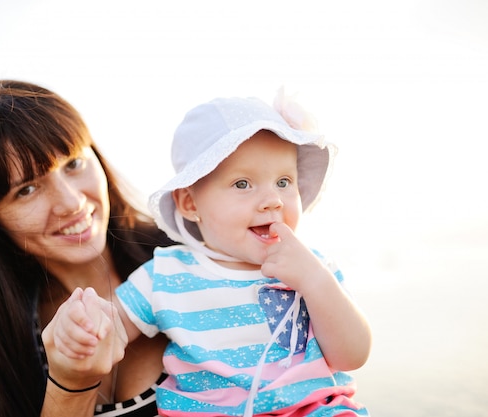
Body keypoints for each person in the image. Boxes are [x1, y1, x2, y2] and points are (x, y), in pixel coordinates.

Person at [66, 90, 372, 416]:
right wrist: (86, 325)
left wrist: (315, 282)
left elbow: (351, 356)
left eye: (284, 181)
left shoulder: (312, 268)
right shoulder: (166, 275)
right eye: (243, 184)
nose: (273, 200)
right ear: (190, 204)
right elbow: (112, 327)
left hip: (311, 409)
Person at [0, 79, 174, 417]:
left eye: (73, 164)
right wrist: (71, 384)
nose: (71, 202)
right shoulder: (3, 344)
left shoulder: (190, 256)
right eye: (27, 190)